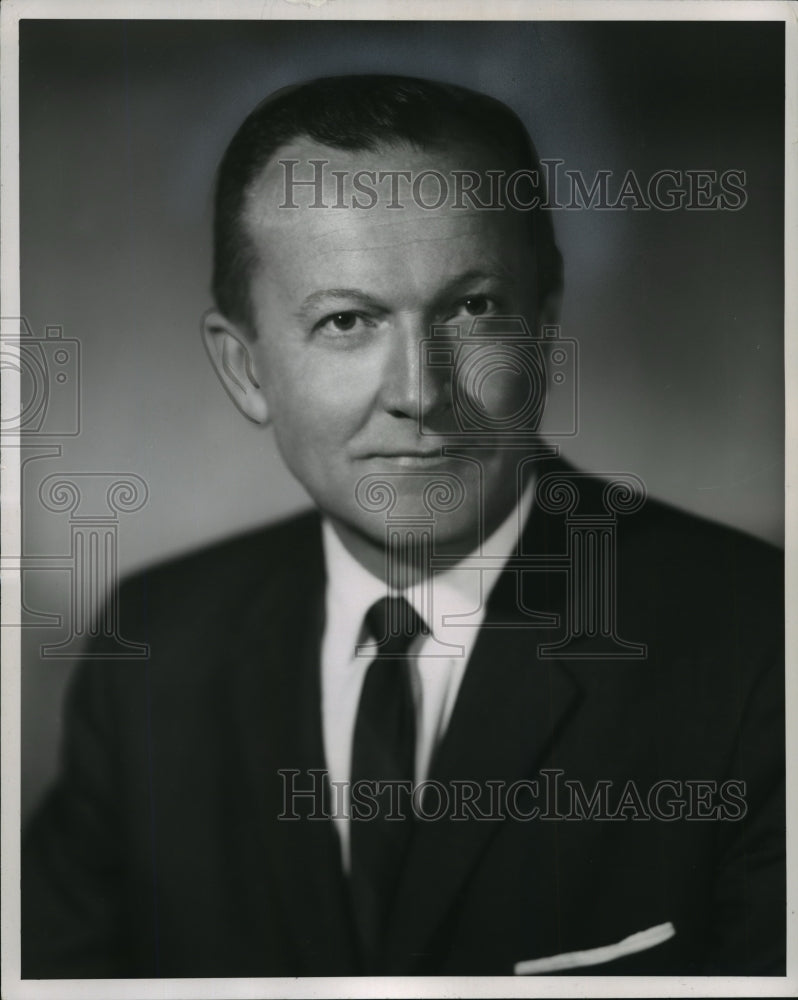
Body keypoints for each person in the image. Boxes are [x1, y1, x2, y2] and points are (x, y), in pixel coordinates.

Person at [21, 75, 784, 979]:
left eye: (474, 308)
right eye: (346, 320)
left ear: (543, 329)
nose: (421, 392)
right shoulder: (153, 649)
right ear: (246, 370)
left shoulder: (761, 641)